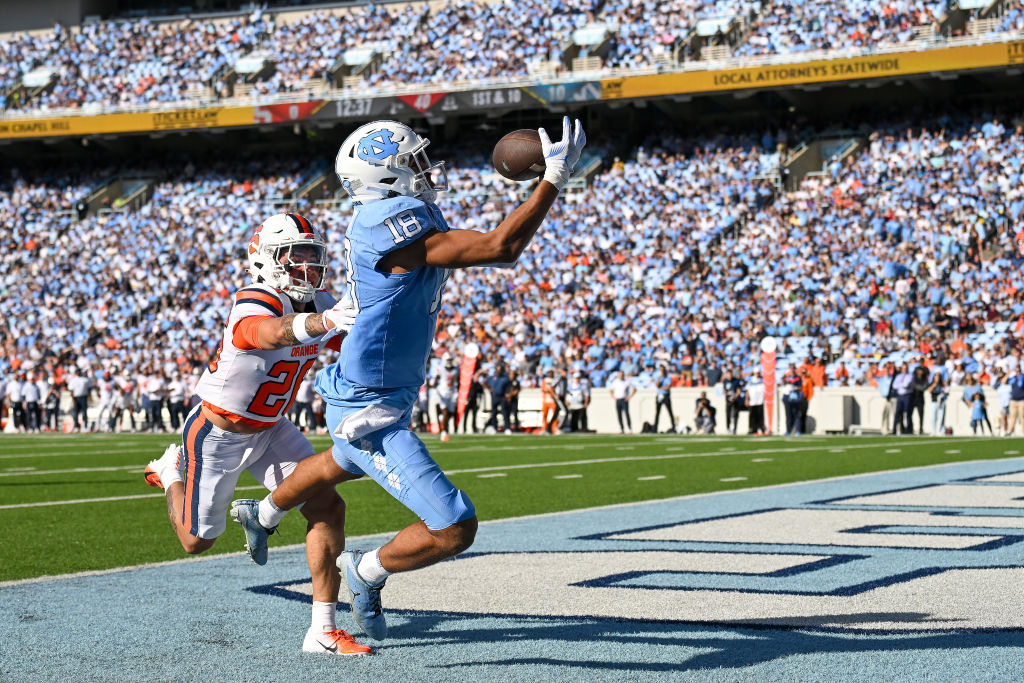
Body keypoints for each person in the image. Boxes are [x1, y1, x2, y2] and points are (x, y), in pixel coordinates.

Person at [232, 117, 586, 642]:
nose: (425, 167)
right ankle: (368, 570)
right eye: (411, 162)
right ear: (385, 178)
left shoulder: (392, 213)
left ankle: (261, 514)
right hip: (367, 402)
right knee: (454, 526)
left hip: (378, 387)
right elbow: (499, 249)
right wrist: (551, 179)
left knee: (338, 462)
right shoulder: (387, 222)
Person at [141, 212, 370, 656]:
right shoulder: (257, 297)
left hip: (272, 429)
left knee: (327, 505)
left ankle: (322, 629)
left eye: (312, 254)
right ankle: (170, 474)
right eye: (296, 254)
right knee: (196, 541)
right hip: (217, 432)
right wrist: (326, 322)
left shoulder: (319, 300)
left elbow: (349, 344)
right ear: (267, 260)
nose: (308, 263)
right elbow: (262, 334)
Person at [434, 354, 459, 440]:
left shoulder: (456, 370)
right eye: (447, 360)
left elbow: (457, 381)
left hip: (452, 393)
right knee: (445, 412)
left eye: (450, 360)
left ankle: (442, 420)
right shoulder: (441, 369)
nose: (449, 362)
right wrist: (435, 389)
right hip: (443, 393)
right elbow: (435, 380)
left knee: (451, 413)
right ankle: (444, 432)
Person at [608, 369, 635, 434]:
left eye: (622, 374)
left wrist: (629, 396)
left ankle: (629, 428)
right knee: (619, 415)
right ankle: (621, 428)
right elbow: (611, 390)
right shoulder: (615, 382)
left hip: (624, 400)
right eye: (620, 375)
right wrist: (613, 396)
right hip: (618, 400)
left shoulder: (627, 381)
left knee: (626, 414)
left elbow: (634, 389)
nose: (621, 376)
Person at [653, 365, 676, 433]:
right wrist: (660, 378)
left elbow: (668, 386)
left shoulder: (668, 377)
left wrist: (662, 388)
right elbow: (657, 385)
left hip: (666, 395)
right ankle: (655, 428)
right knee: (657, 412)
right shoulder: (658, 377)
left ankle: (673, 427)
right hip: (659, 395)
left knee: (670, 412)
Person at [722, 368, 743, 435]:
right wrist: (727, 395)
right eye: (728, 375)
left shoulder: (736, 381)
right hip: (728, 400)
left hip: (735, 400)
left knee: (735, 415)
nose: (729, 376)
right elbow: (724, 390)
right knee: (728, 414)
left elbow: (739, 391)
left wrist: (734, 397)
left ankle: (735, 429)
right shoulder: (725, 381)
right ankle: (728, 428)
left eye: (730, 375)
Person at [541, 370, 559, 434]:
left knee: (555, 415)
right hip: (546, 400)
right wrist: (550, 390)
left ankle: (554, 428)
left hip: (553, 400)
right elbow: (543, 389)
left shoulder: (555, 380)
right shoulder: (545, 380)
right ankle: (545, 428)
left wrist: (551, 391)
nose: (550, 374)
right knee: (544, 415)